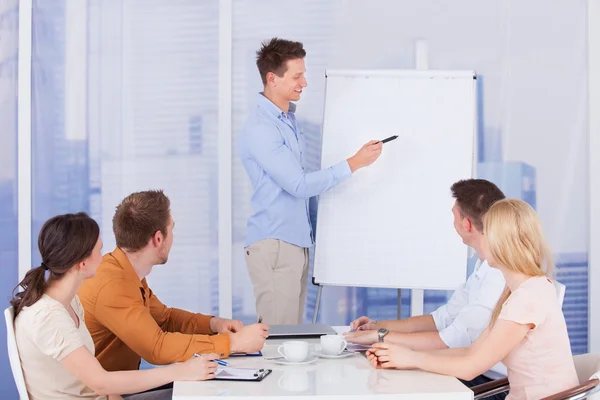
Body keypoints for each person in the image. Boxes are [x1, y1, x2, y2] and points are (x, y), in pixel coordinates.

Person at [367, 199, 579, 399]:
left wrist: (411, 358)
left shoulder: (527, 298)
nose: (481, 238)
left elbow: (471, 367)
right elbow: (472, 352)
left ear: (504, 242)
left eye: (488, 232)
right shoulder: (519, 289)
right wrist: (403, 357)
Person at [238, 37, 383, 325]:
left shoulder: (286, 121)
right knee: (278, 341)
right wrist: (355, 163)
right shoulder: (262, 129)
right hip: (276, 243)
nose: (304, 83)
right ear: (272, 78)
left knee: (290, 336)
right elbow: (299, 185)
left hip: (293, 243)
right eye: (297, 75)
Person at [12, 213, 219, 400]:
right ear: (82, 264)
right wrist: (181, 371)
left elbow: (94, 379)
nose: (104, 258)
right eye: (99, 251)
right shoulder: (48, 317)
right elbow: (100, 382)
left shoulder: (69, 302)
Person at [346, 179, 508, 397]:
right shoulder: (484, 267)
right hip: (470, 370)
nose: (453, 222)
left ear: (467, 224)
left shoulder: (497, 276)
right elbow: (440, 319)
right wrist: (378, 327)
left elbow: (451, 341)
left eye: (454, 215)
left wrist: (381, 337)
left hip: (490, 384)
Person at [78, 190, 268, 373]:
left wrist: (215, 324)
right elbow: (156, 347)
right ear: (159, 239)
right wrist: (233, 343)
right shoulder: (113, 285)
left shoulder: (125, 273)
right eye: (172, 229)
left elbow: (165, 319)